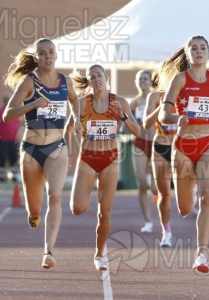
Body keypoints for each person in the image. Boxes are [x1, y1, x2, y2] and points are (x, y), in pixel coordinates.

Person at [3, 38, 82, 270]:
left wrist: (76, 118)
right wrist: (32, 104)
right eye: (42, 53)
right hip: (32, 149)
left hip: (57, 147)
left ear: (56, 55)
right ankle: (33, 214)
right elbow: (8, 115)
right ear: (36, 57)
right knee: (35, 210)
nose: (48, 56)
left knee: (55, 196)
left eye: (51, 52)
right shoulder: (30, 82)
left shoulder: (65, 81)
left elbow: (75, 100)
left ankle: (48, 251)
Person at [159, 35, 209, 273]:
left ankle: (202, 253)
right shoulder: (180, 79)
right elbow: (163, 114)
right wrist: (176, 118)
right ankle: (190, 184)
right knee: (183, 208)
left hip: (208, 143)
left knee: (207, 198)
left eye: (203, 48)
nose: (199, 51)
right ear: (188, 53)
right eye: (194, 48)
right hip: (184, 145)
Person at [69, 65, 140, 271]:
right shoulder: (82, 104)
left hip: (110, 159)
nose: (96, 79)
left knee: (105, 213)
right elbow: (69, 128)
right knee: (78, 208)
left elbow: (137, 131)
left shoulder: (120, 102)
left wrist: (123, 116)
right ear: (89, 82)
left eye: (99, 75)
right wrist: (71, 149)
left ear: (106, 78)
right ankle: (86, 191)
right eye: (92, 77)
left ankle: (100, 254)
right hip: (87, 158)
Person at [142, 64, 178, 247]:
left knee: (186, 196)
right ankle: (167, 232)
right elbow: (146, 123)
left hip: (182, 146)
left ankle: (194, 184)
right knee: (164, 194)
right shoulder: (154, 96)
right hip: (161, 146)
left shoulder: (185, 93)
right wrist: (162, 108)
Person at [129, 70, 157, 233]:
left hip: (155, 142)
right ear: (136, 82)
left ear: (150, 81)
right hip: (140, 143)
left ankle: (162, 209)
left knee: (154, 188)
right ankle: (148, 221)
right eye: (140, 79)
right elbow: (127, 122)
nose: (143, 81)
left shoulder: (156, 99)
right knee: (142, 185)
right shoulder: (134, 102)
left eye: (145, 79)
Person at [0, 94, 22, 183]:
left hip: (13, 139)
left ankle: (14, 176)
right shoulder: (0, 111)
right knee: (2, 158)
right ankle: (1, 177)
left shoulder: (14, 110)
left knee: (14, 158)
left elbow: (19, 122)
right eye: (7, 100)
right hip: (2, 139)